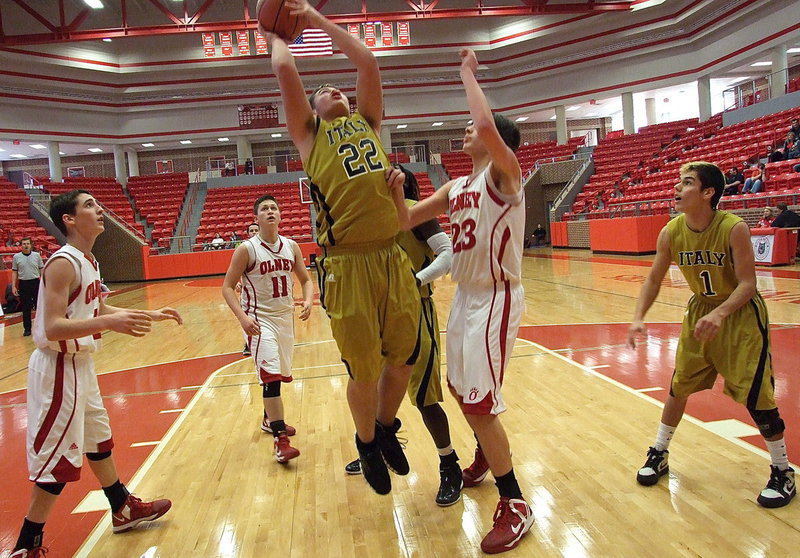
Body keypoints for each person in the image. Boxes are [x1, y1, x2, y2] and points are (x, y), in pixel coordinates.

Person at [266, 0, 421, 495]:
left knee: (405, 359)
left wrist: (313, 17)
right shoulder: (311, 138)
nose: (330, 88)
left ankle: (384, 428)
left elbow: (368, 62)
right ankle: (366, 441)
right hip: (347, 264)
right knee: (365, 367)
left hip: (392, 255)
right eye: (321, 92)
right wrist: (273, 32)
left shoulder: (370, 123)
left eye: (336, 87)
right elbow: (286, 68)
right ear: (312, 111)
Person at [392, 48, 534, 554]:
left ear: (499, 141)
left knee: (479, 399)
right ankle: (485, 455)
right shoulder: (457, 186)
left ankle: (515, 500)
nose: (469, 130)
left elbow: (486, 125)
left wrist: (466, 72)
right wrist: (392, 191)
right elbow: (406, 220)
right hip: (464, 299)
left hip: (496, 299)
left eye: (479, 128)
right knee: (460, 390)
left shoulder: (504, 177)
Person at [9, 190, 182, 557]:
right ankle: (27, 545)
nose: (99, 209)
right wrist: (110, 321)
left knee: (98, 440)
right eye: (89, 205)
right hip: (57, 368)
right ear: (68, 219)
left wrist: (149, 313)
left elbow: (95, 306)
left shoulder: (89, 259)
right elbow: (52, 327)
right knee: (57, 461)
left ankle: (121, 507)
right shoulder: (62, 263)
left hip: (80, 367)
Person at [627, 162, 795, 510]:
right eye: (677, 181)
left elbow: (749, 284)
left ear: (708, 193)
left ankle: (783, 471)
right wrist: (638, 317)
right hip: (700, 311)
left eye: (686, 183)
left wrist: (721, 313)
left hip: (740, 316)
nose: (676, 188)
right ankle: (659, 452)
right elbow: (654, 280)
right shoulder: (670, 231)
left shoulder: (733, 228)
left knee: (757, 394)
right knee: (679, 385)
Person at [343, 167, 462, 506]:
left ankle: (448, 462)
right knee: (381, 389)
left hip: (415, 309)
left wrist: (415, 280)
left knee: (425, 397)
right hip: (381, 314)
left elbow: (449, 254)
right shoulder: (374, 219)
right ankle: (378, 448)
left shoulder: (414, 210)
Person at [222, 195, 314, 463]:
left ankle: (268, 417)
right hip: (259, 321)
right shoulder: (247, 249)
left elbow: (306, 280)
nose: (270, 211)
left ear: (280, 216)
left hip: (285, 318)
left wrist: (308, 300)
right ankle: (280, 440)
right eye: (264, 209)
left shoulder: (292, 246)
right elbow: (227, 287)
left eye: (274, 208)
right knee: (271, 376)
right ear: (256, 218)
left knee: (280, 374)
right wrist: (242, 318)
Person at [12, 237, 45, 336]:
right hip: (23, 283)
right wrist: (13, 286)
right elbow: (14, 272)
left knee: (39, 306)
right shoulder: (16, 257)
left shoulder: (37, 256)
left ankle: (41, 328)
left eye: (27, 243)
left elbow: (41, 270)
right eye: (23, 244)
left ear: (31, 245)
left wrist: (44, 283)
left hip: (35, 282)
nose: (26, 245)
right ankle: (27, 329)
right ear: (21, 245)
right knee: (26, 308)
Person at [240, 222, 260, 356]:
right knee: (250, 320)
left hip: (265, 292)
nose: (253, 233)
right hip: (249, 295)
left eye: (256, 230)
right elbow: (236, 271)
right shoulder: (244, 249)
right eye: (251, 231)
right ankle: (248, 343)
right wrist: (238, 282)